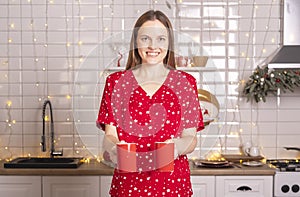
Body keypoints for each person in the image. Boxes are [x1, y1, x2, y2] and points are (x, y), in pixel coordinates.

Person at [97, 10, 204, 197]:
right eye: (145, 38)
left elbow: (190, 137)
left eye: (161, 39)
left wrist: (176, 148)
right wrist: (113, 148)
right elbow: (110, 134)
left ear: (169, 43)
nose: (153, 46)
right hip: (128, 185)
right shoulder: (116, 83)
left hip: (172, 185)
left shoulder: (185, 83)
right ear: (136, 42)